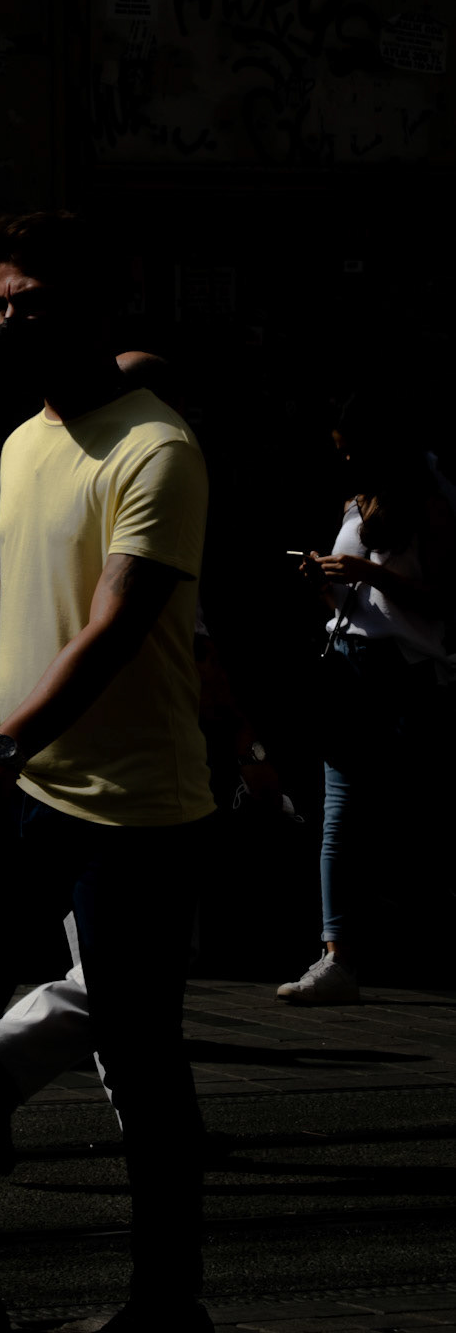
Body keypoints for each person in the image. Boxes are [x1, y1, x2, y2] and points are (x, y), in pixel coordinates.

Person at [0, 212, 214, 1333]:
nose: (6, 320)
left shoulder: (155, 448)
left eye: (28, 301)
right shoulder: (22, 441)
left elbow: (114, 628)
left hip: (131, 813)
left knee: (140, 1060)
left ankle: (164, 1306)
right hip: (19, 791)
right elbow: (20, 579)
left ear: (88, 309)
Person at [277, 388, 456, 1006]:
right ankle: (337, 957)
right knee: (340, 816)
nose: (346, 461)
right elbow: (357, 607)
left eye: (352, 449)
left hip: (407, 676)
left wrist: (366, 573)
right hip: (351, 668)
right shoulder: (354, 506)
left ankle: (410, 937)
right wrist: (322, 585)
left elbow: (442, 601)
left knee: (413, 816)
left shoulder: (431, 504)